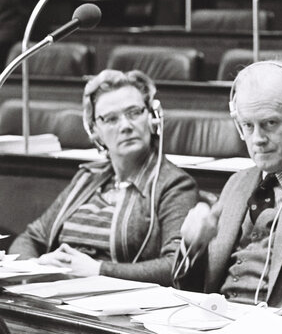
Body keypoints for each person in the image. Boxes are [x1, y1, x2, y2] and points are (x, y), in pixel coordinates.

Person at [10, 70, 198, 286]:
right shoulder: (87, 178)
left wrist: (99, 270)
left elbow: (175, 265)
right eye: (111, 119)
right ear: (94, 130)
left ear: (152, 118)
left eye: (134, 112)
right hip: (57, 293)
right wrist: (38, 264)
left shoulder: (173, 184)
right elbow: (30, 238)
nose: (126, 125)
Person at [173, 61, 282, 315]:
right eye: (248, 125)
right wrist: (192, 246)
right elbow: (191, 290)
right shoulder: (237, 183)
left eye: (270, 123)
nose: (257, 139)